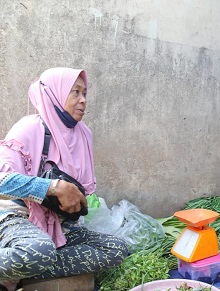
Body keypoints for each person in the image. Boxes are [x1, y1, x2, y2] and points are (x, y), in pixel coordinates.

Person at [0, 68, 128, 290]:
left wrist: (74, 209)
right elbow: (2, 180)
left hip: (59, 227)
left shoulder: (83, 135)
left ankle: (26, 268)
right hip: (17, 217)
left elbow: (81, 191)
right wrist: (51, 187)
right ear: (55, 94)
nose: (82, 101)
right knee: (37, 251)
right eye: (75, 92)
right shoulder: (31, 127)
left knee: (116, 249)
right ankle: (30, 258)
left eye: (85, 93)